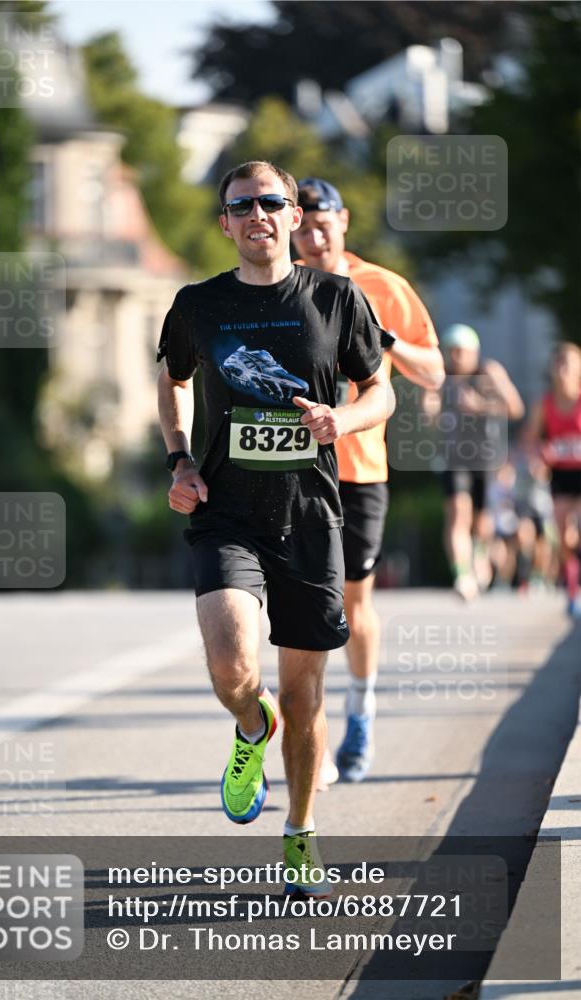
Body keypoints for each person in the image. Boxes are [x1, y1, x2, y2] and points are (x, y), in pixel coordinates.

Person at [156, 161, 395, 895]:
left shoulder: (336, 297)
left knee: (305, 697)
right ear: (225, 223)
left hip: (311, 516)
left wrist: (341, 420)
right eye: (241, 205)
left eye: (270, 202)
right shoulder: (198, 304)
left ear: (294, 216)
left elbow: (378, 391)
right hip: (226, 512)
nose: (257, 214)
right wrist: (179, 460)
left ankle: (299, 834)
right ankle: (249, 725)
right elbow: (172, 378)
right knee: (232, 667)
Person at [291, 178, 444, 785]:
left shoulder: (382, 285)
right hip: (296, 471)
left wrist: (388, 341)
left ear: (344, 220)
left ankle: (362, 708)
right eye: (302, 221)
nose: (313, 231)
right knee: (305, 609)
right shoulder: (278, 288)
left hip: (361, 469)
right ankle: (315, 741)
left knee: (354, 603)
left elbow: (433, 373)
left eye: (323, 218)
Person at [431, 324, 525, 601]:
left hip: (485, 457)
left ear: (474, 351)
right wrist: (429, 410)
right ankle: (462, 575)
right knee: (458, 513)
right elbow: (429, 410)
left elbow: (516, 408)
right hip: (453, 457)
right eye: (452, 352)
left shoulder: (489, 372)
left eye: (462, 351)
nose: (457, 357)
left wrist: (480, 406)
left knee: (482, 521)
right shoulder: (442, 377)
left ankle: (479, 555)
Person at [523, 342, 581, 617]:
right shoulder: (543, 404)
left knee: (577, 528)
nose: (562, 369)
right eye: (558, 363)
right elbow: (531, 441)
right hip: (560, 475)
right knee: (564, 537)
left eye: (568, 364)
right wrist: (538, 459)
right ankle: (573, 591)